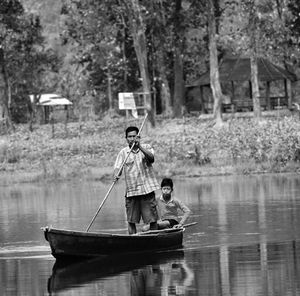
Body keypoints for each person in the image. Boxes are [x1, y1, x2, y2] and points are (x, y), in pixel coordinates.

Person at [114, 126, 160, 234]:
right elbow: (117, 168)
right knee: (131, 221)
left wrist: (140, 147)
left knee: (152, 219)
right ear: (126, 138)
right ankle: (133, 241)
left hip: (147, 190)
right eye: (129, 136)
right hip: (132, 192)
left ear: (138, 137)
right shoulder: (123, 153)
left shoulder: (146, 147)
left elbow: (151, 158)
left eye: (134, 136)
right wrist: (116, 175)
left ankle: (153, 240)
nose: (132, 138)